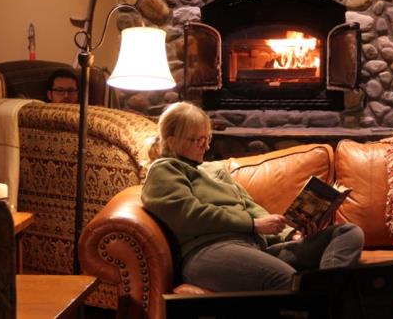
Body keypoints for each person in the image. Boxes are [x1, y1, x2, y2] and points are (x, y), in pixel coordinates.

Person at [141, 102, 364, 292]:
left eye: (207, 138)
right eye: (196, 140)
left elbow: (250, 205)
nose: (206, 146)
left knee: (347, 232)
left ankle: (327, 295)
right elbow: (188, 215)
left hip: (255, 248)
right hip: (209, 251)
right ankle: (327, 301)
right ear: (171, 141)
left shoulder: (214, 169)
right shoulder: (165, 170)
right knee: (290, 281)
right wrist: (254, 225)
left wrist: (291, 234)